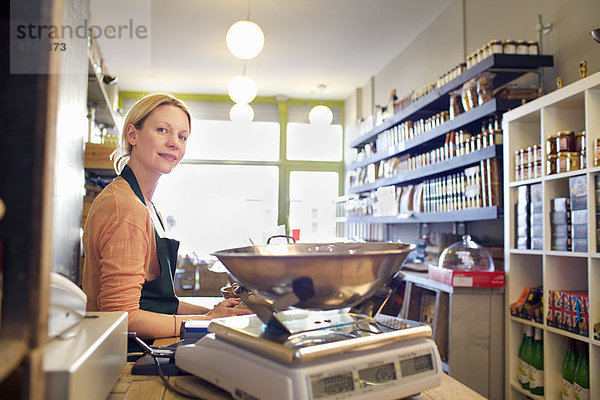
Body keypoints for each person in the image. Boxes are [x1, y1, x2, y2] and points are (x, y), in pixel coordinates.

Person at [82, 93, 251, 351]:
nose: (174, 143)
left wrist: (213, 313)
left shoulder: (148, 207)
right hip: (125, 355)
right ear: (132, 135)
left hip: (142, 345)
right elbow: (122, 317)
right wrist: (206, 320)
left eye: (182, 137)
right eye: (162, 130)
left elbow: (158, 302)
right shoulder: (126, 208)